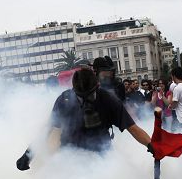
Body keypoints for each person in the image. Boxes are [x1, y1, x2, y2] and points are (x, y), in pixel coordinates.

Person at [16, 67, 154, 169]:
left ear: (97, 87)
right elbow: (47, 130)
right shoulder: (64, 100)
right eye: (80, 96)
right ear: (74, 90)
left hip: (102, 153)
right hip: (70, 154)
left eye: (90, 95)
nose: (86, 100)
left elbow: (133, 128)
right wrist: (28, 155)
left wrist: (151, 145)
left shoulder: (109, 100)